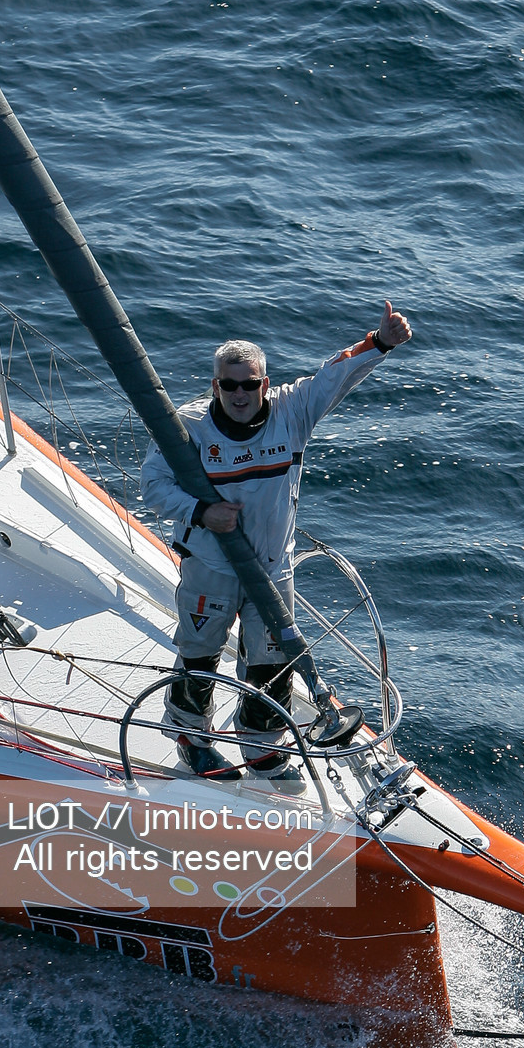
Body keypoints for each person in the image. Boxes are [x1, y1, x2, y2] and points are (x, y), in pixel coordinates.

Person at [140, 303, 412, 777]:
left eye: (250, 384)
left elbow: (335, 375)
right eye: (229, 384)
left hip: (272, 565)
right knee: (199, 654)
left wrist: (382, 341)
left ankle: (261, 746)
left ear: (265, 384)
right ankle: (190, 738)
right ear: (215, 386)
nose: (240, 393)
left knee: (272, 663)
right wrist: (203, 512)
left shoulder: (292, 411)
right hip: (211, 564)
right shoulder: (189, 427)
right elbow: (154, 488)